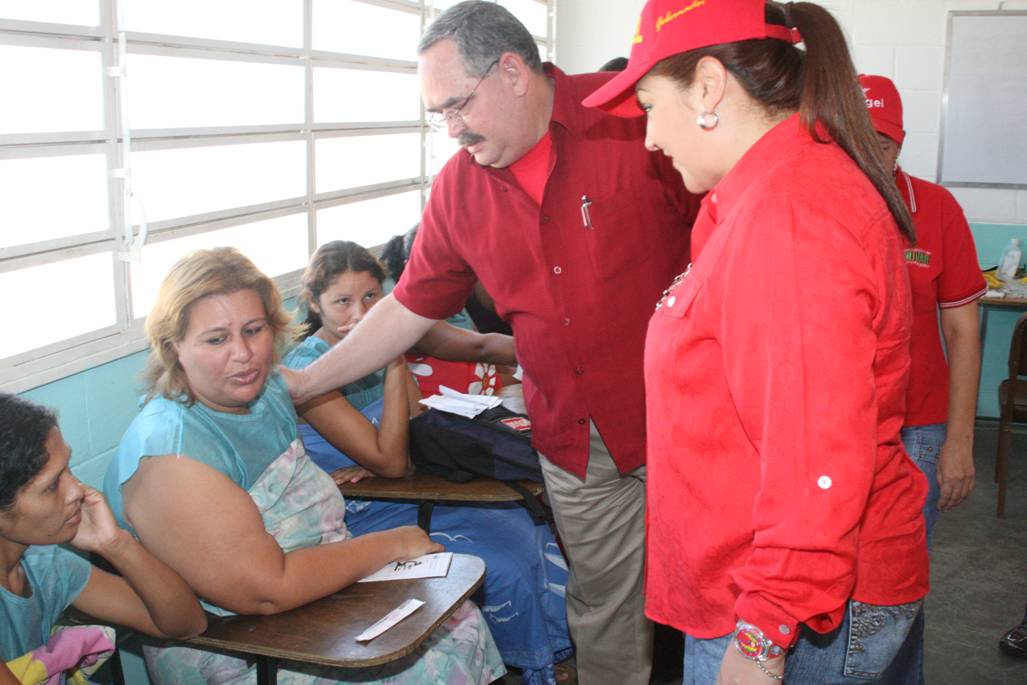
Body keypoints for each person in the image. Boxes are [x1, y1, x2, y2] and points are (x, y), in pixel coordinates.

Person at [282, 3, 701, 682]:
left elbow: (727, 239)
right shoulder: (459, 189)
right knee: (605, 607)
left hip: (689, 416)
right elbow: (408, 306)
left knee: (719, 591)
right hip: (575, 437)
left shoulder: (631, 119)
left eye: (458, 105)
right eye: (438, 114)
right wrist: (305, 382)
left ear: (512, 71)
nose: (452, 128)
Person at [583, 1, 929, 683]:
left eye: (650, 107)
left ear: (708, 87)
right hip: (753, 583)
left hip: (786, 606)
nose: (648, 138)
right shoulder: (755, 196)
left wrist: (764, 633)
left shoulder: (788, 213)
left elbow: (815, 454)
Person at [102, 247, 504, 685]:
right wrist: (393, 543)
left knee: (458, 621)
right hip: (243, 645)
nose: (244, 353)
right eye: (216, 339)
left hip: (321, 598)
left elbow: (333, 378)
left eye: (254, 330)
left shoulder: (268, 388)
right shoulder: (171, 457)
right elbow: (266, 592)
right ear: (173, 347)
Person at [282, 240, 573, 685]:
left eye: (371, 297)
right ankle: (533, 664)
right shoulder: (310, 372)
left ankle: (549, 656)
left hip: (402, 486)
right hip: (360, 509)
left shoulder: (376, 348)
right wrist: (394, 364)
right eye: (342, 301)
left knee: (524, 525)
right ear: (313, 303)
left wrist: (385, 453)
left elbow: (415, 431)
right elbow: (392, 461)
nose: (360, 314)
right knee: (502, 562)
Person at [860, 73, 986, 545]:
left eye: (881, 144)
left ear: (901, 144)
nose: (868, 157)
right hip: (836, 423)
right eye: (855, 141)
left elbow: (962, 331)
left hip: (917, 424)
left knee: (903, 563)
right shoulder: (814, 207)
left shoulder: (936, 208)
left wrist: (960, 441)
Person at [1, 393, 206, 679]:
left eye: (67, 469)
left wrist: (116, 544)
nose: (77, 490)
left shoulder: (43, 565)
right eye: (51, 487)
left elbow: (186, 624)